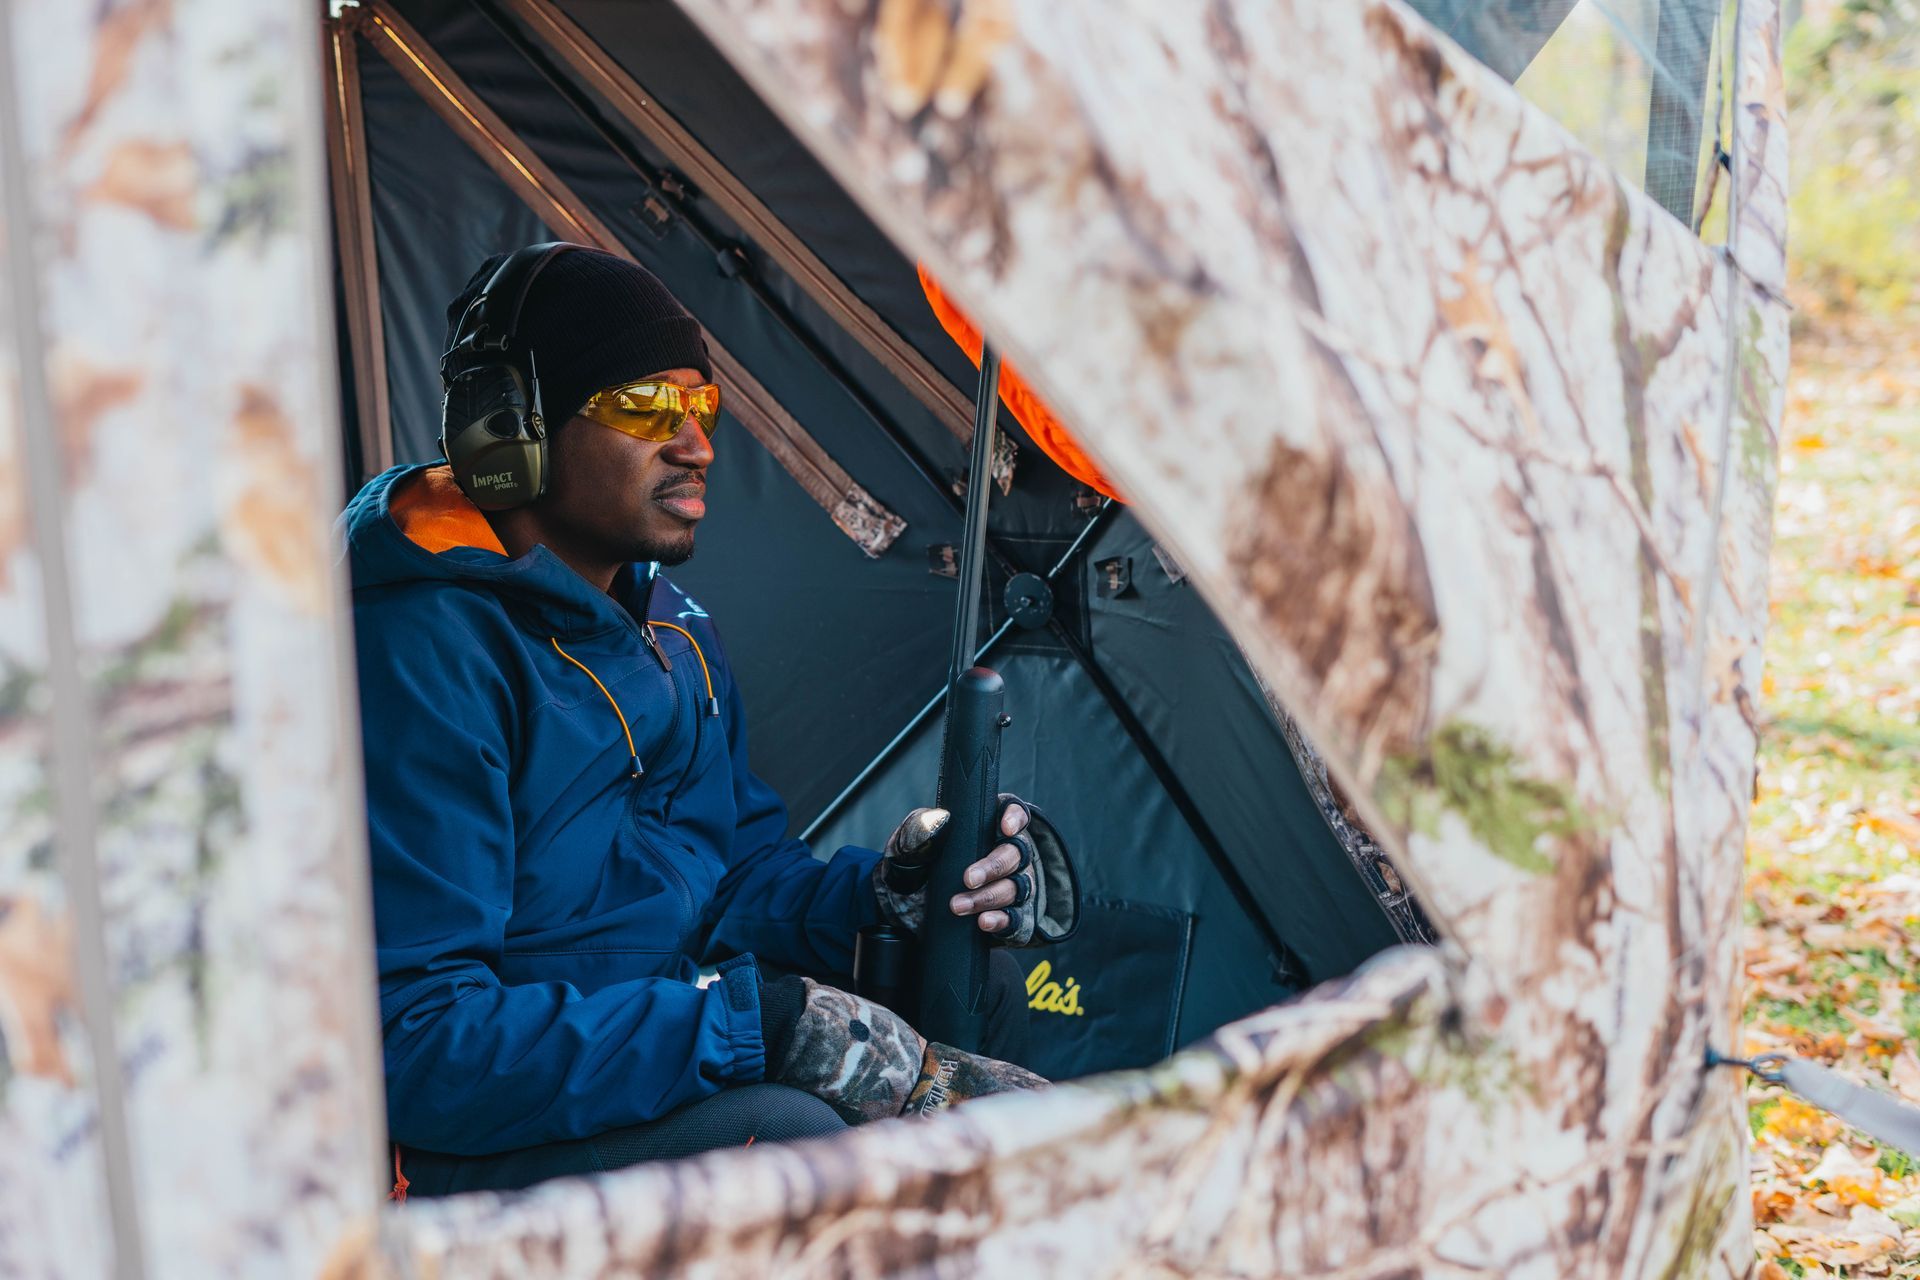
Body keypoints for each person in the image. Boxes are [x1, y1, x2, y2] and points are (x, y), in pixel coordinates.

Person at [341, 244, 1078, 1197]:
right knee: (791, 1137)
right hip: (469, 1143)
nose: (696, 445)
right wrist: (752, 1027)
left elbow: (728, 881)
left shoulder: (674, 630)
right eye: (647, 407)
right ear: (508, 430)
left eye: (704, 408)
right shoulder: (422, 648)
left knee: (974, 986)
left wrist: (891, 896)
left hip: (640, 1056)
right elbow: (420, 1042)